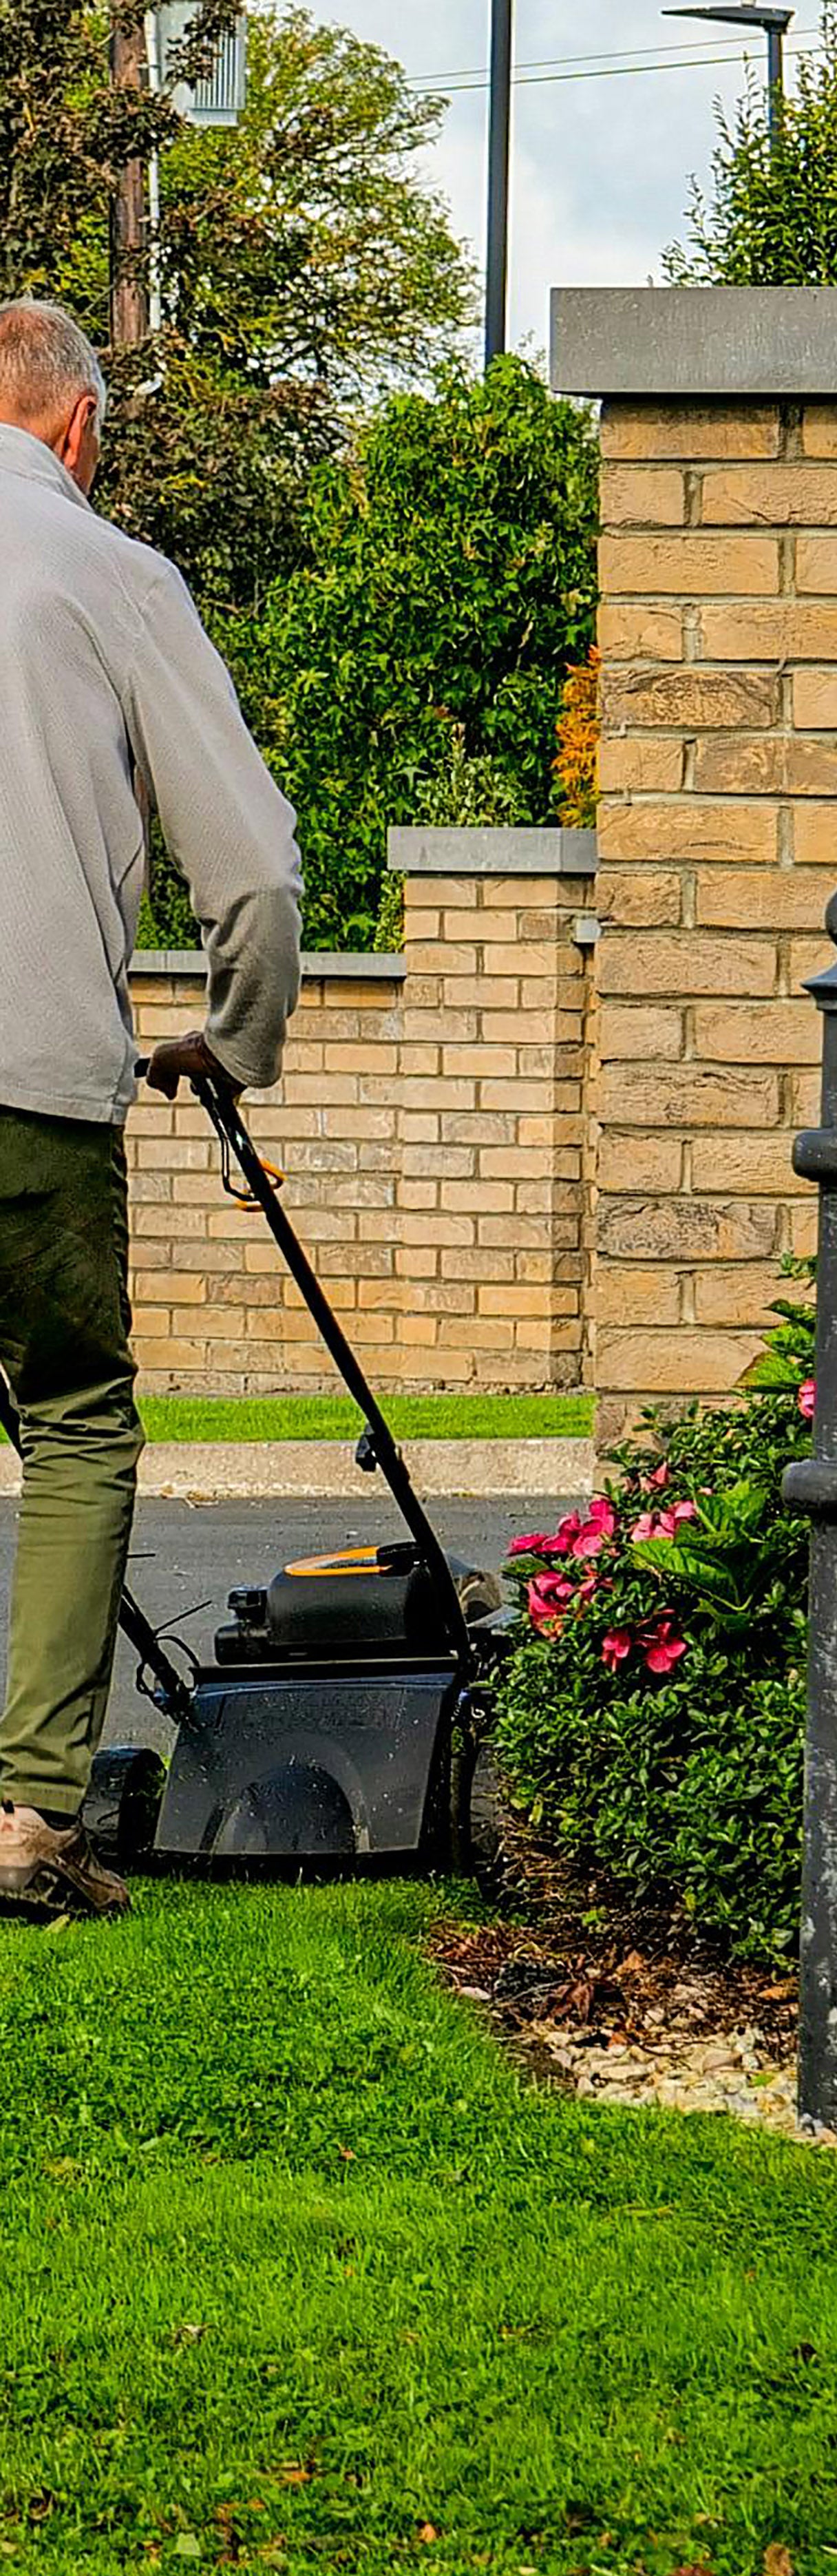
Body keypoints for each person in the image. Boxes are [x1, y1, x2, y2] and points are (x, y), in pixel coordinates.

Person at [0, 297, 302, 1918]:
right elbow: (249, 865)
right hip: (27, 1076)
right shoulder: (107, 573)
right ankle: (31, 1821)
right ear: (72, 428)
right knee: (72, 1422)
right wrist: (236, 1043)